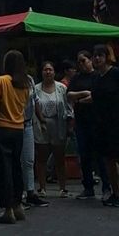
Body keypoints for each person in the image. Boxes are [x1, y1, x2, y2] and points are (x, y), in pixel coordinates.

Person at [0, 49, 30, 224]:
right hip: (18, 129)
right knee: (16, 167)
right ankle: (18, 205)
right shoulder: (25, 84)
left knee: (3, 170)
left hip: (1, 129)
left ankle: (8, 209)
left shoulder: (0, 81)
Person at [67, 50, 111, 201]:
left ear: (90, 60)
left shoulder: (98, 77)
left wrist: (83, 97)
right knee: (84, 154)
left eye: (84, 60)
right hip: (81, 122)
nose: (81, 64)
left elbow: (96, 96)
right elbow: (69, 94)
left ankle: (107, 186)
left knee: (100, 156)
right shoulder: (77, 78)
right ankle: (88, 186)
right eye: (79, 61)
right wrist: (83, 93)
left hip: (97, 121)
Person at [33, 61, 72, 198]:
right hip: (41, 124)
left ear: (54, 72)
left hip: (58, 123)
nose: (48, 72)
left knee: (59, 157)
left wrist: (69, 124)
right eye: (45, 70)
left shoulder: (61, 88)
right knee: (41, 157)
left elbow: (68, 107)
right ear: (42, 72)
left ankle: (62, 188)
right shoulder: (36, 89)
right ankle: (42, 188)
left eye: (50, 69)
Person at [88, 44, 119, 206]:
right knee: (110, 160)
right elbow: (95, 97)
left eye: (100, 55)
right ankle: (115, 192)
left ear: (107, 57)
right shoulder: (96, 77)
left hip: (116, 122)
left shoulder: (115, 73)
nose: (97, 58)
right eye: (95, 55)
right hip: (102, 124)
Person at [21, 73, 49, 208]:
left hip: (27, 124)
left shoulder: (29, 79)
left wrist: (42, 120)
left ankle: (30, 192)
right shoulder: (7, 81)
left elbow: (35, 100)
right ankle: (18, 194)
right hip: (13, 124)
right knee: (16, 160)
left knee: (29, 160)